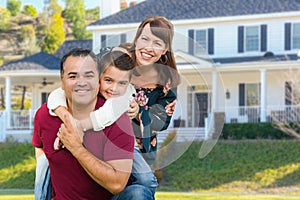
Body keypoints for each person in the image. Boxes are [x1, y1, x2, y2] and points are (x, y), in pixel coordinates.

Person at [48, 15, 180, 199]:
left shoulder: (166, 81)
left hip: (132, 146)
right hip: (95, 134)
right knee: (54, 169)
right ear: (137, 39)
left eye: (157, 43)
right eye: (145, 39)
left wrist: (138, 112)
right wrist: (67, 117)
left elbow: (162, 121)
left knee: (145, 182)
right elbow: (74, 83)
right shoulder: (116, 59)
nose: (149, 48)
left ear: (165, 49)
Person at [32, 48, 135, 200]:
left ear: (97, 80)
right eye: (73, 76)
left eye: (89, 75)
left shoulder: (117, 118)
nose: (81, 82)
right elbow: (39, 146)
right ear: (62, 81)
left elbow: (117, 184)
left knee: (140, 191)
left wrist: (76, 147)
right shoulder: (45, 114)